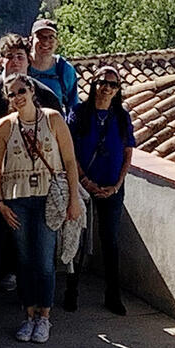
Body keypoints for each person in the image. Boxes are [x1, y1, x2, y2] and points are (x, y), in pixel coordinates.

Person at [0, 34, 60, 316]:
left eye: (20, 57)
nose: (14, 62)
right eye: (9, 57)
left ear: (28, 61)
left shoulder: (46, 96)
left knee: (34, 251)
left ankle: (32, 307)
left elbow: (61, 147)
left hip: (37, 187)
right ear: (1, 61)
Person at [0, 73, 81, 345]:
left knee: (44, 259)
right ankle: (28, 315)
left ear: (31, 90)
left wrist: (74, 200)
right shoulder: (4, 126)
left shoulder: (53, 119)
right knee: (24, 260)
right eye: (12, 94)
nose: (17, 97)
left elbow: (69, 160)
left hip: (47, 198)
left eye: (21, 91)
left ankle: (44, 316)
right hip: (18, 198)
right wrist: (0, 203)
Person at [65, 65, 135, 315]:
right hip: (82, 186)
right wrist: (84, 181)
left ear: (118, 91)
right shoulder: (78, 114)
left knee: (110, 241)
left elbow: (128, 153)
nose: (106, 88)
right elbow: (69, 150)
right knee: (78, 239)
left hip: (112, 188)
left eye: (112, 85)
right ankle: (71, 291)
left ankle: (112, 295)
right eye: (102, 83)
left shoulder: (122, 117)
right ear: (93, 85)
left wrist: (117, 185)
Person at [27, 19, 79, 114]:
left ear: (57, 43)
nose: (46, 42)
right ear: (31, 40)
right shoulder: (21, 65)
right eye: (40, 37)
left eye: (51, 37)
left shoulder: (65, 70)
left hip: (54, 126)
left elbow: (73, 108)